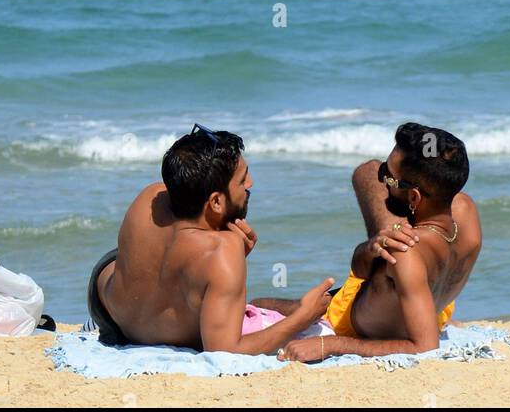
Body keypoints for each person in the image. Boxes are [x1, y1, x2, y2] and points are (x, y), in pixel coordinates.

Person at [87, 124, 334, 354]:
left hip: (110, 310)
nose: (251, 183)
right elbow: (225, 351)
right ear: (216, 201)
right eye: (242, 180)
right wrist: (302, 316)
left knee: (135, 261)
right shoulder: (224, 250)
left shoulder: (151, 195)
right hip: (156, 330)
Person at [279, 122, 482, 362]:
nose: (383, 180)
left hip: (351, 322)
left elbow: (426, 347)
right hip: (431, 311)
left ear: (414, 197)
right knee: (367, 171)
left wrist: (331, 344)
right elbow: (362, 267)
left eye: (390, 178)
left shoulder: (407, 251)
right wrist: (373, 245)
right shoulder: (465, 211)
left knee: (259, 306)